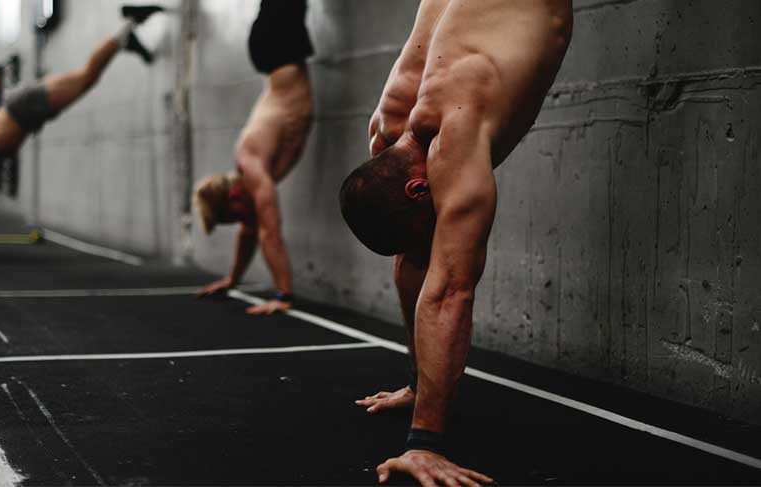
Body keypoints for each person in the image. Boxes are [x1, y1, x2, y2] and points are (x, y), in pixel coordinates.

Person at [340, 0, 573, 485]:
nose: (435, 234)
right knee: (423, 243)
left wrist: (423, 442)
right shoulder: (388, 130)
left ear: (417, 189)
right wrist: (418, 382)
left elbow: (449, 290)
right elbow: (415, 254)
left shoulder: (452, 137)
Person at [0, 6, 165, 267]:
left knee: (88, 76)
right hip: (24, 113)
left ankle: (128, 26)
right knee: (87, 77)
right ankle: (125, 38)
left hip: (24, 108)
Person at [193, 0, 313, 315]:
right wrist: (232, 279)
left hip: (276, 47)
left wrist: (283, 295)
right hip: (275, 53)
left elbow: (268, 232)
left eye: (233, 217)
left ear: (234, 196)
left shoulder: (250, 165)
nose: (243, 221)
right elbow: (250, 231)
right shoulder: (249, 175)